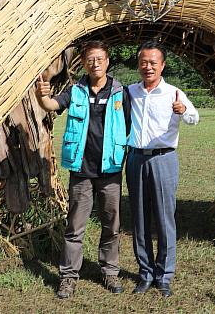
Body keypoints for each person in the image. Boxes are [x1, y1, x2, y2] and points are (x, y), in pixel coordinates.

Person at [35, 40, 131, 299]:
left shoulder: (122, 92)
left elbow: (132, 125)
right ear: (85, 63)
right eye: (90, 59)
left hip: (110, 170)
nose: (95, 63)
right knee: (75, 226)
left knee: (111, 224)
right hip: (81, 170)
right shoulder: (75, 90)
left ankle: (110, 271)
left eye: (100, 58)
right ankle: (68, 277)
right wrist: (41, 96)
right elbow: (52, 105)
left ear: (107, 61)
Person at [126, 40, 199, 298]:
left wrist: (183, 111)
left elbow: (194, 117)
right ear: (138, 64)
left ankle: (164, 275)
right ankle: (145, 273)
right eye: (143, 62)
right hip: (135, 158)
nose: (148, 67)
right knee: (140, 218)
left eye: (153, 62)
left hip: (164, 158)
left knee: (165, 217)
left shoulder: (173, 93)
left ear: (163, 65)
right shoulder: (130, 92)